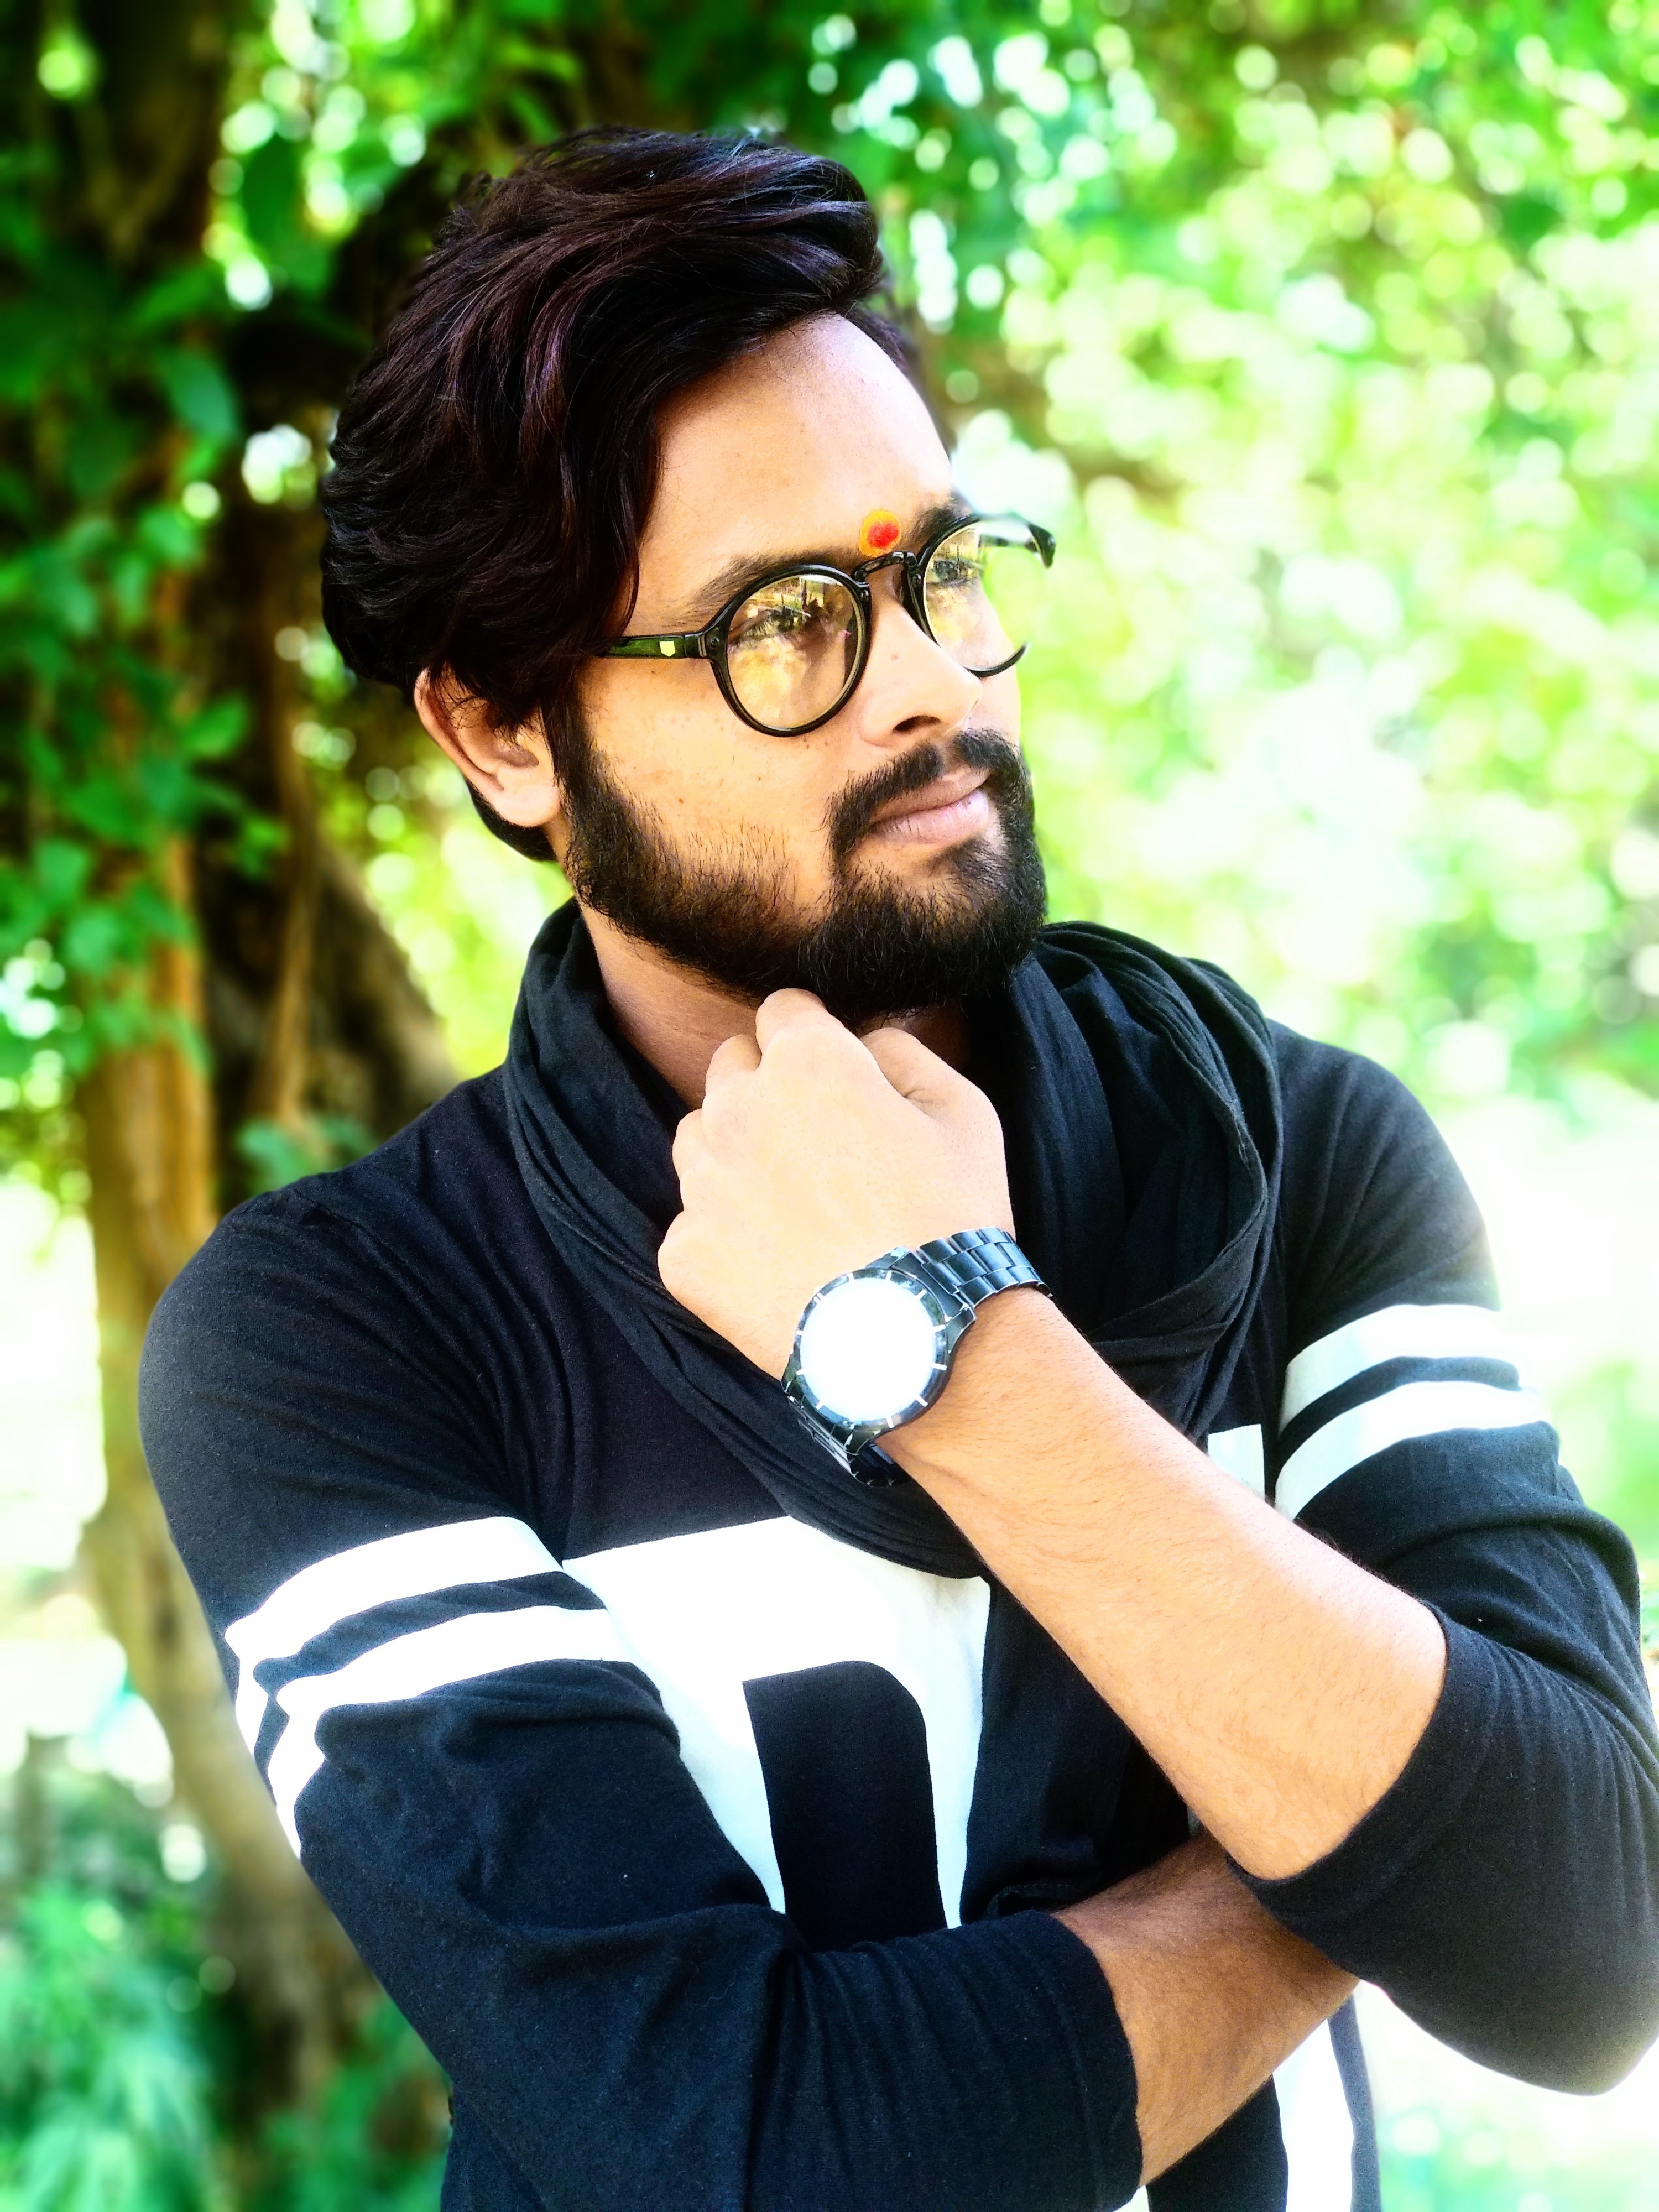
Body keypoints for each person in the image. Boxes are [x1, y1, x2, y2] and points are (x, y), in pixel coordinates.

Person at [139, 129, 1659, 2211]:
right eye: (787, 624)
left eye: (944, 569)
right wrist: (1375, 1834)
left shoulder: (1291, 1154)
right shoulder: (344, 1332)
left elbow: (1588, 1938)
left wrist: (950, 1346)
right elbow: (728, 2159)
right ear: (503, 731)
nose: (935, 681)